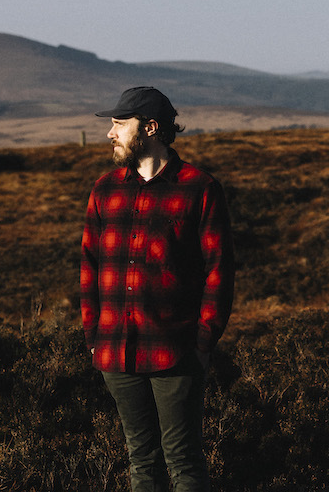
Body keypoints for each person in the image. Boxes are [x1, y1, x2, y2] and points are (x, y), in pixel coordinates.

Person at [80, 86, 234, 492]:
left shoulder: (200, 188)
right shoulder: (105, 190)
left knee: (183, 459)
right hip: (116, 351)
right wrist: (94, 336)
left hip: (176, 351)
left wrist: (203, 341)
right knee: (140, 458)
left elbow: (219, 271)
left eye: (118, 124)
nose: (110, 134)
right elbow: (89, 269)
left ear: (150, 128)